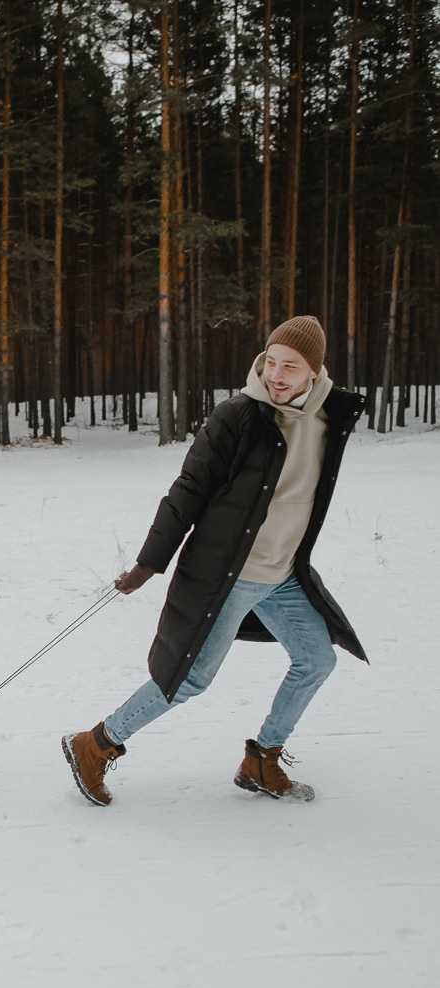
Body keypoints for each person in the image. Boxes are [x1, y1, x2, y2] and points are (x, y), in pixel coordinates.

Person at [62, 315, 367, 806]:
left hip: (286, 573)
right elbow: (189, 489)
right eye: (271, 361)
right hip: (232, 574)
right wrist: (149, 562)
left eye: (291, 365)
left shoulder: (328, 418)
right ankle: (95, 744)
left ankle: (262, 760)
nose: (278, 374)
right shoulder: (239, 416)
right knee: (189, 678)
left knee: (317, 660)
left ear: (315, 371)